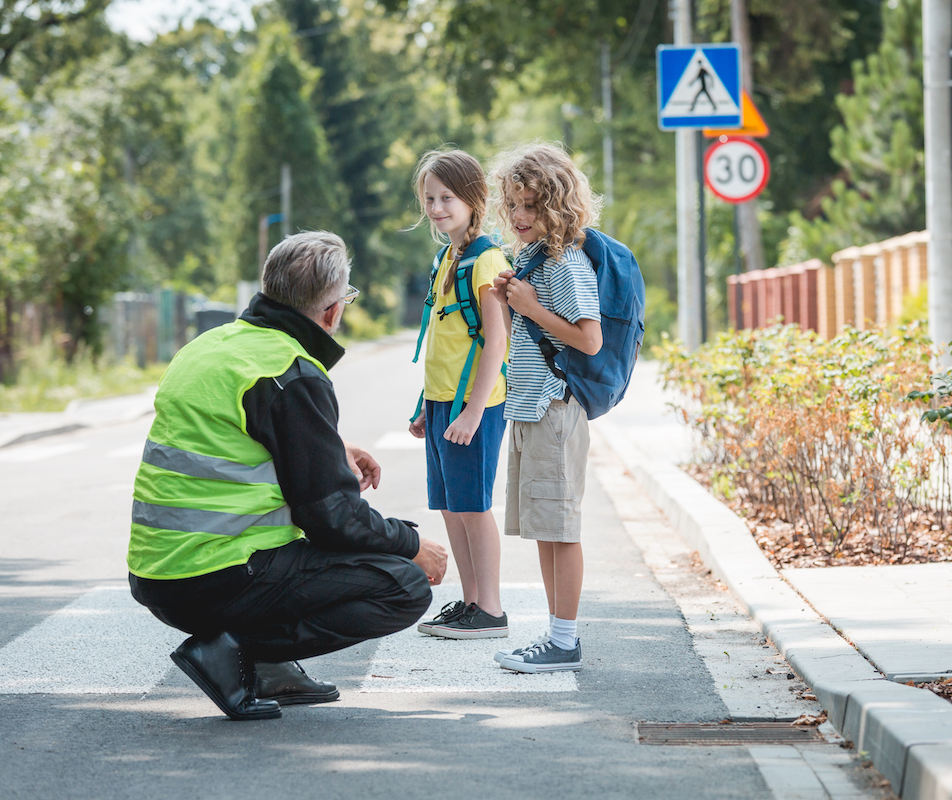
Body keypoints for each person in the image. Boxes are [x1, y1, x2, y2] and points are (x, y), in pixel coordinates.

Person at [128, 231, 448, 720]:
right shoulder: (290, 372)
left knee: (358, 564)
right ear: (332, 311)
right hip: (221, 574)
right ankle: (238, 650)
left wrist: (331, 445)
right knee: (403, 586)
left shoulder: (209, 347)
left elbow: (231, 434)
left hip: (158, 575)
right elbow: (332, 519)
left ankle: (268, 665)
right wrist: (410, 544)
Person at [486, 143, 603, 673]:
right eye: (512, 206)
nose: (519, 217)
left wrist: (530, 306)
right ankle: (557, 636)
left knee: (562, 526)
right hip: (531, 409)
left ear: (558, 205)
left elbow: (590, 340)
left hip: (555, 409)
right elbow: (526, 334)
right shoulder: (531, 259)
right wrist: (511, 302)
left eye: (531, 206)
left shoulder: (566, 262)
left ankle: (566, 640)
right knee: (544, 525)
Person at [407, 150, 512, 639]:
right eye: (429, 198)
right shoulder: (447, 256)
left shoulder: (487, 260)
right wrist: (427, 407)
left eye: (447, 197)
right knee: (451, 504)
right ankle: (470, 601)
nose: (436, 207)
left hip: (477, 404)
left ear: (473, 199)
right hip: (442, 403)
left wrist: (471, 411)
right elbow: (445, 341)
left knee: (473, 504)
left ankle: (489, 608)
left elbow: (497, 342)